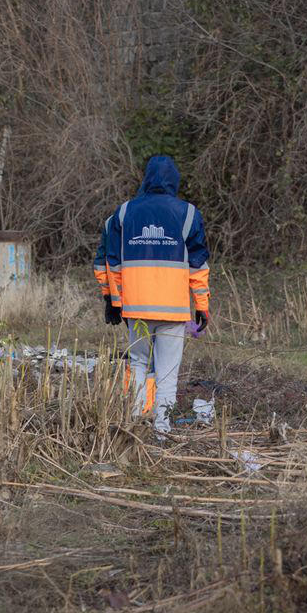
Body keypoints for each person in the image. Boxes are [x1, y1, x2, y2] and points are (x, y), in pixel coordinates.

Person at [94, 155, 210, 440]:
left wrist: (113, 300)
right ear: (174, 180)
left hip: (136, 309)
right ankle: (161, 432)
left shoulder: (124, 213)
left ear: (146, 178)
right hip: (173, 310)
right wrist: (202, 306)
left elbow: (111, 263)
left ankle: (134, 426)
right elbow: (198, 265)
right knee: (168, 373)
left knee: (137, 364)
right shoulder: (188, 214)